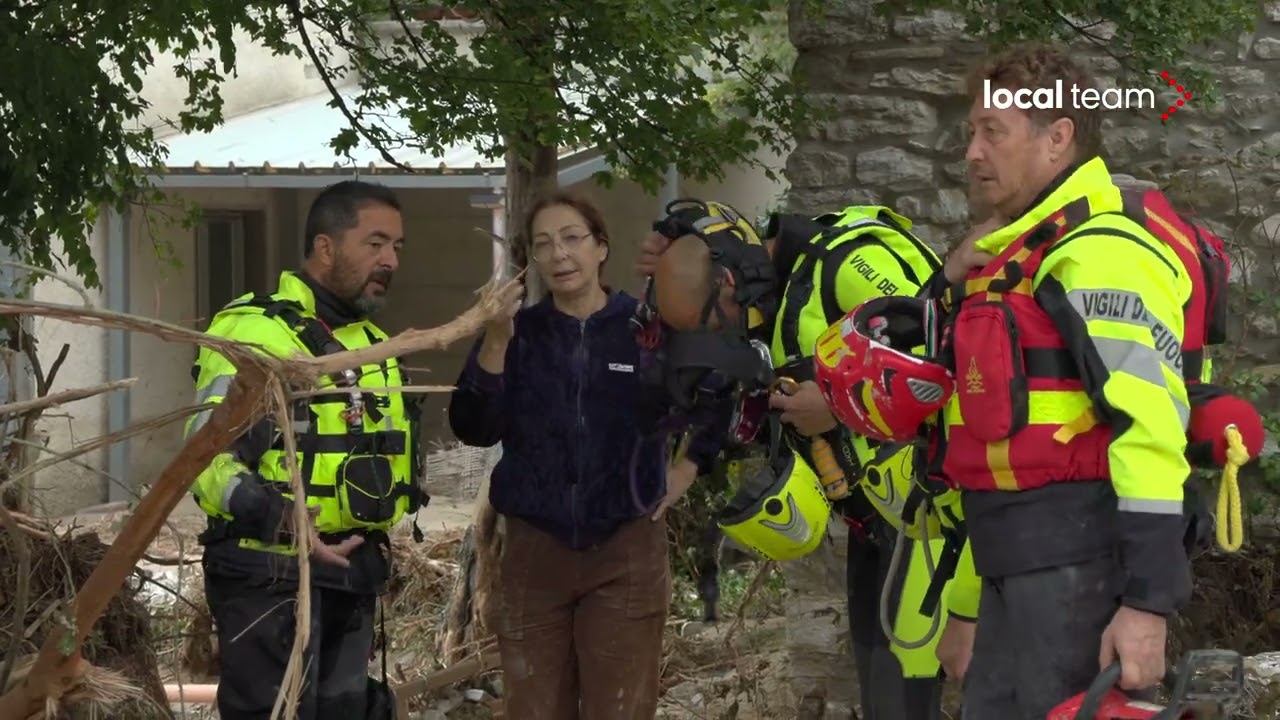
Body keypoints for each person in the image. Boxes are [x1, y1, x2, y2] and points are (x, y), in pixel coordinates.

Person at [811, 42, 1263, 718]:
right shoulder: (1012, 262)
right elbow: (995, 461)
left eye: (992, 131)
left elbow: (1151, 433)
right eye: (971, 131)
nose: (972, 152)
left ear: (1057, 138)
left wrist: (1147, 605)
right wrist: (967, 605)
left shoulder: (1103, 254)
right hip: (1013, 579)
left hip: (1083, 579)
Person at [635, 199, 984, 720]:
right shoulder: (768, 297)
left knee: (908, 702)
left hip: (932, 523)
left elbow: (950, 365)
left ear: (727, 283)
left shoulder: (850, 265)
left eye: (714, 325)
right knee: (882, 700)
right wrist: (686, 466)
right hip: (876, 525)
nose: (721, 337)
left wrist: (836, 406)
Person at [447, 190, 723, 720]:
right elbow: (473, 428)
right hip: (534, 551)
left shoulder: (648, 330)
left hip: (625, 547)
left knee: (620, 708)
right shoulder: (520, 333)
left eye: (572, 238)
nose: (560, 254)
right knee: (534, 709)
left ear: (601, 247)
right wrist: (496, 341)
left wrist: (690, 466)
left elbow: (715, 396)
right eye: (544, 244)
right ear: (532, 259)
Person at [186, 180, 427, 720]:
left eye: (396, 247)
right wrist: (285, 520)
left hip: (352, 574)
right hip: (269, 576)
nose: (390, 260)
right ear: (325, 247)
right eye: (375, 243)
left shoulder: (371, 343)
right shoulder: (256, 333)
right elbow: (206, 461)